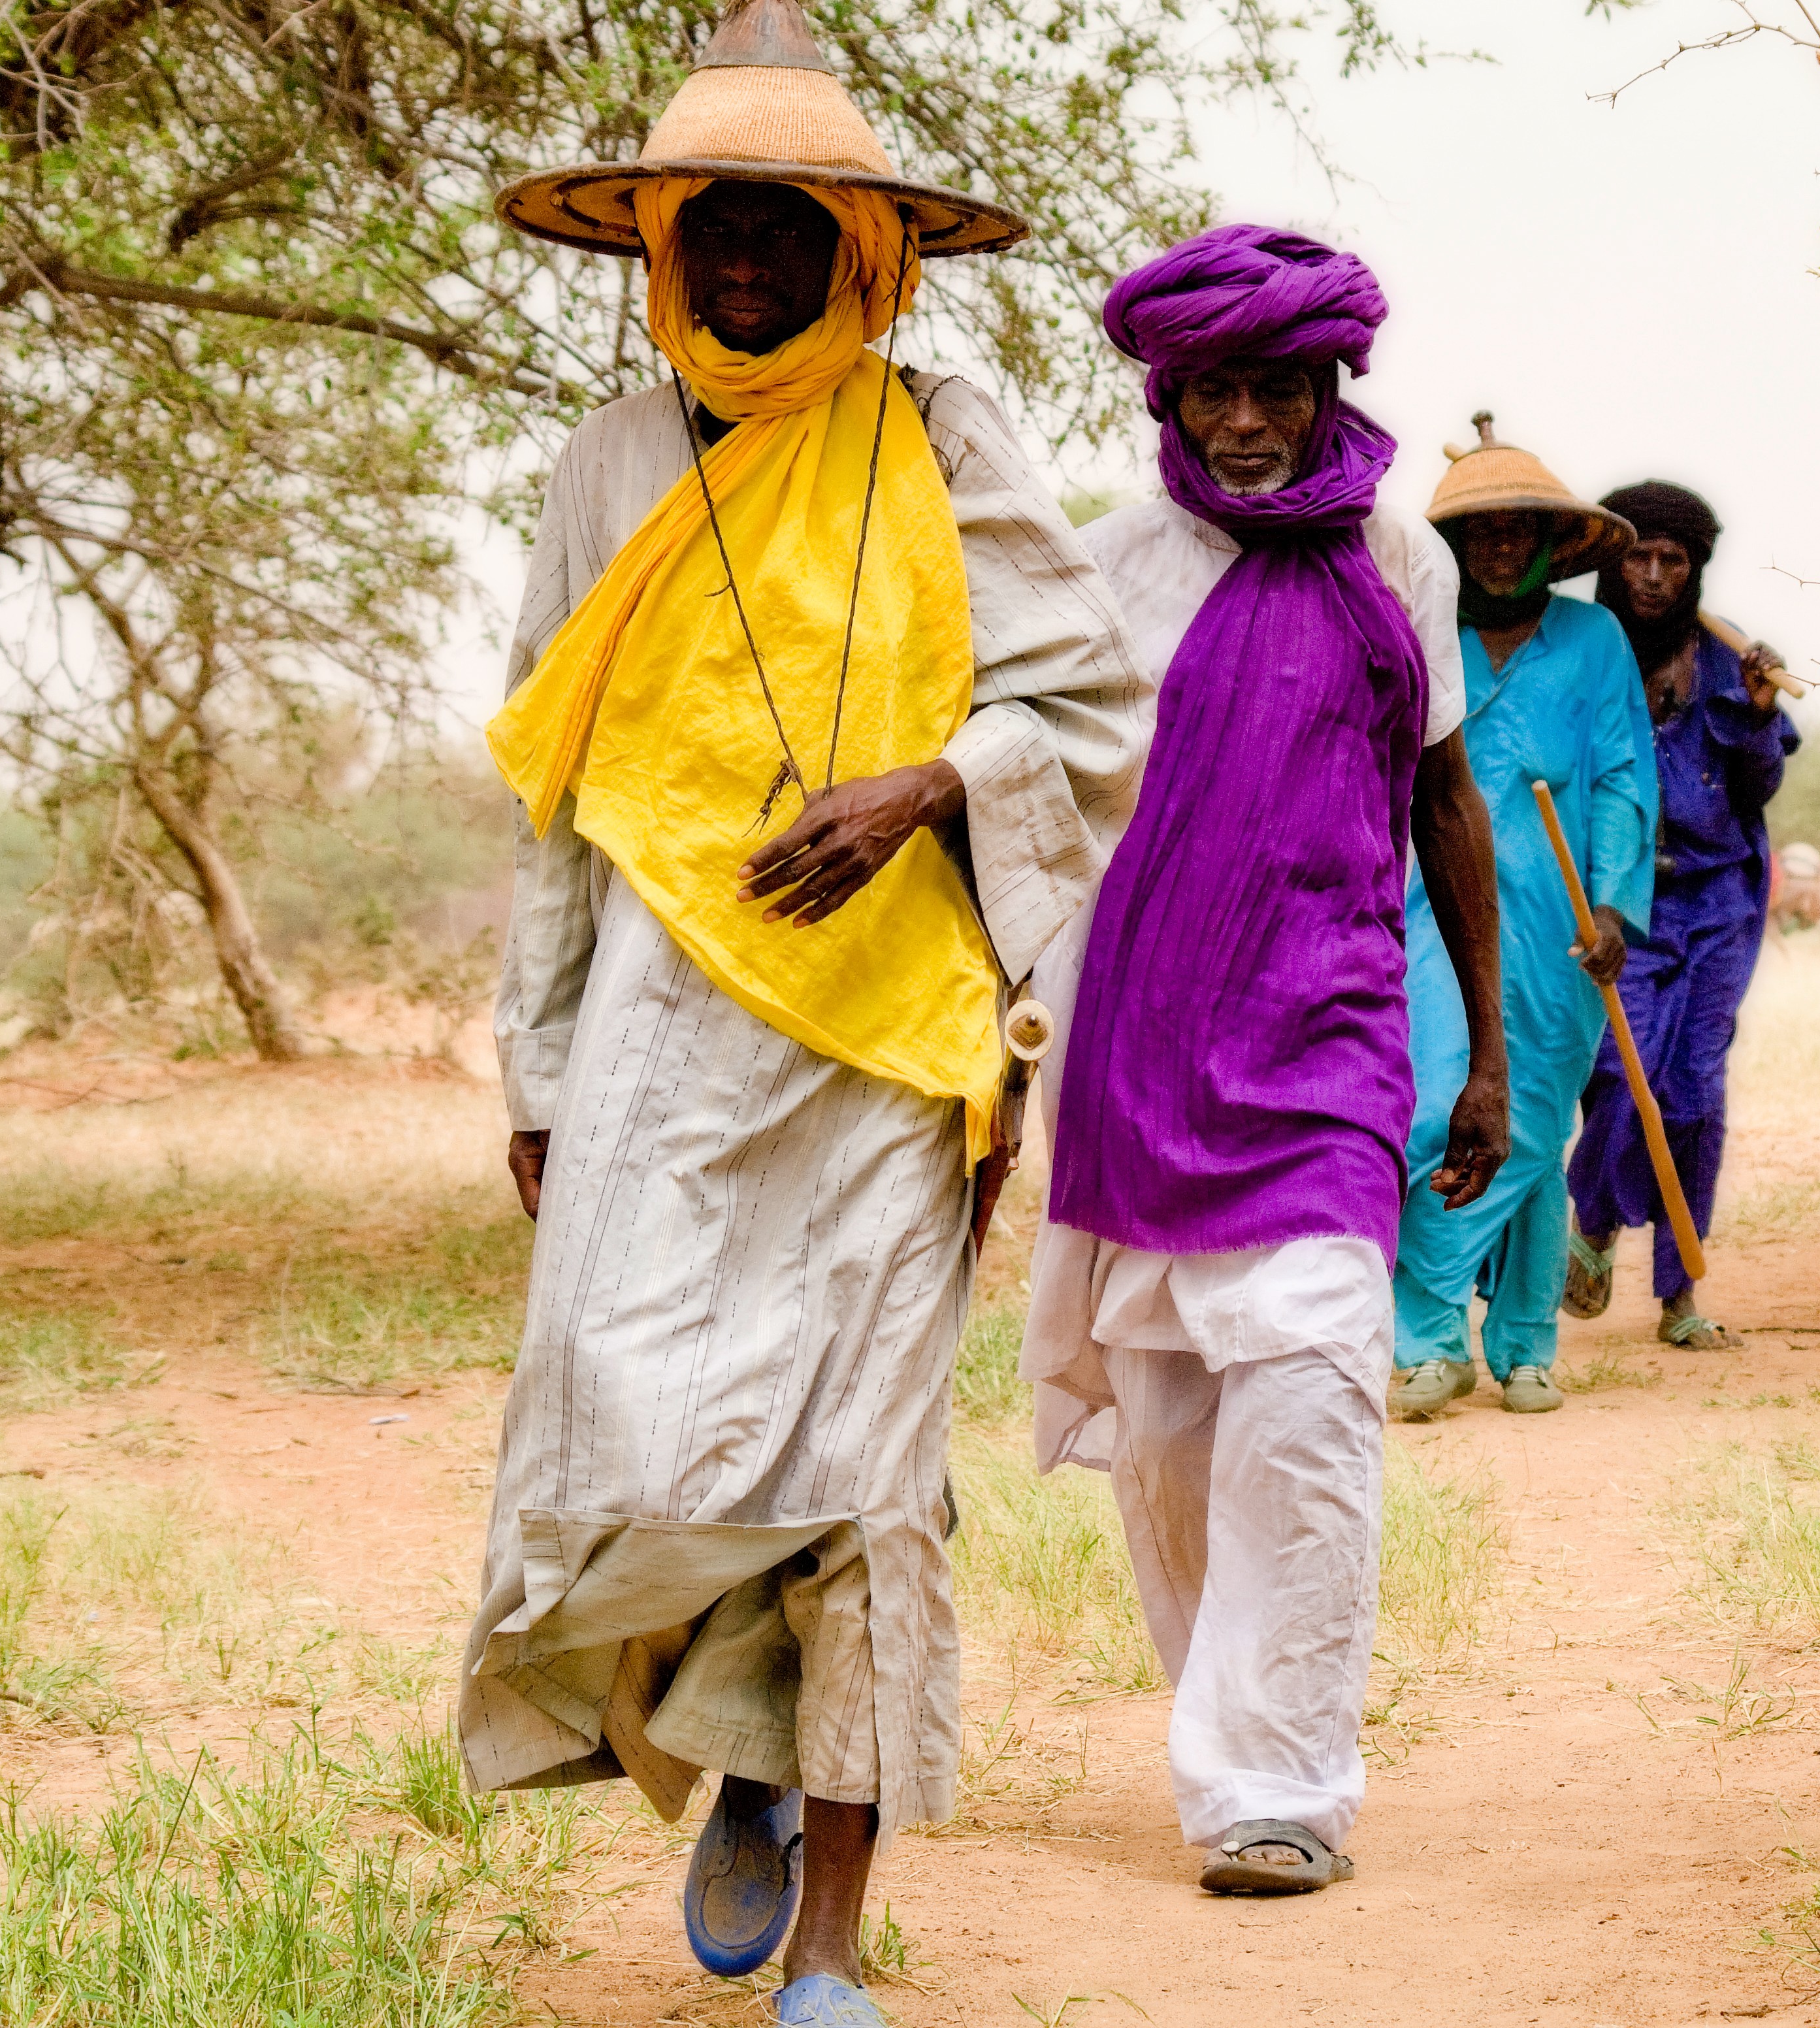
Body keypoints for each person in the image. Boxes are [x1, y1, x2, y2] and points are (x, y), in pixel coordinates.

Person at [459, 7, 1147, 2023]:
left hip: (892, 1036)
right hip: (661, 1047)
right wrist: (540, 1059)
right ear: (661, 247)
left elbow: (1085, 706)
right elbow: (562, 795)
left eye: (783, 224)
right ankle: (732, 1733)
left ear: (865, 248)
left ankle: (829, 1934)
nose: (744, 259)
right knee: (629, 1432)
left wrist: (924, 788)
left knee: (860, 1472)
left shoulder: (948, 434)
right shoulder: (607, 463)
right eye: (713, 227)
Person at [1017, 225, 1509, 1898]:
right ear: (1173, 391)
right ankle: (1226, 1711)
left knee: (1306, 1392)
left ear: (1327, 386)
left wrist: (1489, 1059)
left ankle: (1276, 1785)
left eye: (1274, 390)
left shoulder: (1397, 558)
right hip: (1135, 1045)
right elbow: (1039, 805)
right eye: (1215, 389)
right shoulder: (1105, 564)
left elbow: (1443, 800)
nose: (1243, 423)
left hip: (1330, 1030)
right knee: (1162, 1431)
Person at [1388, 417, 1653, 1420]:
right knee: (1429, 1115)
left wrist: (1618, 903)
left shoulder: (1596, 641)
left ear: (1553, 543)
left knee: (1536, 1127)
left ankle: (1528, 1345)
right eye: (1481, 531)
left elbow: (1626, 776)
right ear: (1453, 547)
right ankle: (1426, 1339)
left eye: (1520, 530)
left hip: (1559, 924)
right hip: (1431, 913)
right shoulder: (1421, 631)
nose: (1500, 546)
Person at [1563, 481, 1797, 1351]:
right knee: (1621, 1077)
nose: (1654, 576)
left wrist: (1762, 714)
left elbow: (1758, 788)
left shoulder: (1729, 663)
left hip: (1721, 901)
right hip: (1620, 903)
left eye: (1673, 560)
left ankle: (1679, 1297)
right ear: (1612, 564)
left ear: (1695, 567)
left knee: (1694, 1094)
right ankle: (1591, 1224)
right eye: (1637, 556)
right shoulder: (1584, 657)